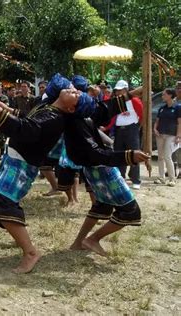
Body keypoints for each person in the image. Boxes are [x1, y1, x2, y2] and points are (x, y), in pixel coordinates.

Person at [0, 73, 95, 273]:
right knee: (3, 204)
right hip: (15, 160)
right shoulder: (49, 108)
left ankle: (31, 252)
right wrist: (4, 110)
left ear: (71, 108)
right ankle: (21, 240)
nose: (73, 89)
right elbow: (29, 118)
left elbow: (25, 129)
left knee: (3, 204)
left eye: (76, 94)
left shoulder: (55, 118)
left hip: (21, 166)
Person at [64, 77, 150, 256]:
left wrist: (132, 94)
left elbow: (104, 109)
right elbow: (95, 153)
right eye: (74, 91)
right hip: (102, 168)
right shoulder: (75, 120)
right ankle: (92, 239)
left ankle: (78, 242)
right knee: (131, 211)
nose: (78, 92)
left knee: (101, 207)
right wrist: (128, 156)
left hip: (94, 169)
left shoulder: (80, 112)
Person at [104, 80, 143, 189]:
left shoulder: (134, 101)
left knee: (134, 153)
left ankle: (136, 179)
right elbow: (112, 117)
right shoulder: (115, 102)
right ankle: (121, 177)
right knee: (120, 154)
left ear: (126, 90)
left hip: (132, 129)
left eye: (120, 90)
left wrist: (137, 127)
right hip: (119, 130)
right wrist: (106, 127)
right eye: (116, 91)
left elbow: (142, 114)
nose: (118, 93)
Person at [153, 88, 180, 186]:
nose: (162, 96)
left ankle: (172, 179)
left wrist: (178, 136)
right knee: (160, 157)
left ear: (170, 95)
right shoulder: (162, 108)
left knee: (167, 156)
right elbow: (157, 121)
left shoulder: (177, 107)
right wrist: (155, 129)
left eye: (164, 95)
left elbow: (179, 123)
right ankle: (161, 177)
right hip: (160, 134)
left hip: (171, 135)